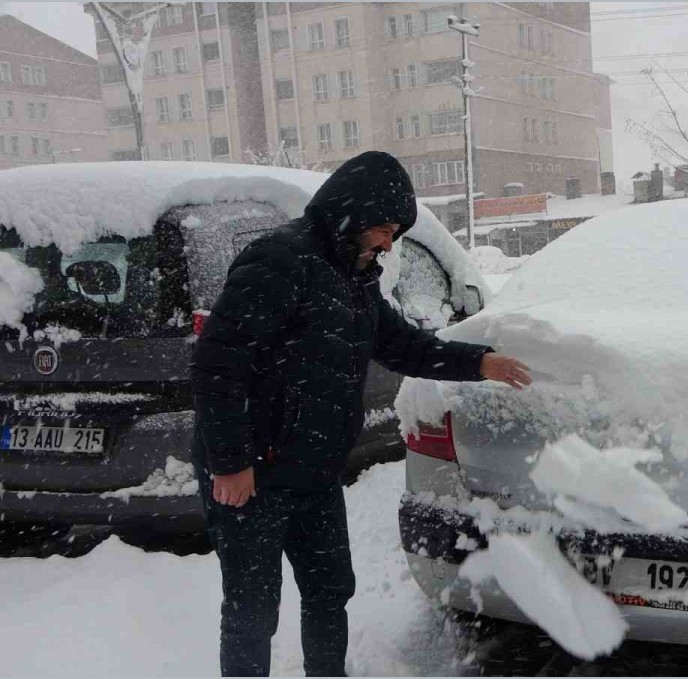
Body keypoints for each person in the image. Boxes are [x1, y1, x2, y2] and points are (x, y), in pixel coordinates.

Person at [190, 151, 531, 677]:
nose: (388, 244)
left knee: (330, 590)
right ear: (354, 212)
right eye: (386, 229)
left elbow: (399, 344)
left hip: (316, 470)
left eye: (395, 234)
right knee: (253, 608)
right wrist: (231, 461)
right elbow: (218, 362)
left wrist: (479, 361)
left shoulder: (356, 274)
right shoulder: (279, 260)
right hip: (255, 472)